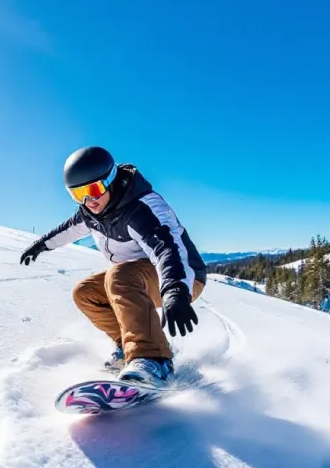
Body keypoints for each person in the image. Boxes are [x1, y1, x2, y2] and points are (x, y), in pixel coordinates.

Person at [19, 146, 206, 388]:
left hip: (182, 277)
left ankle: (153, 359)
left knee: (119, 277)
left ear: (110, 180)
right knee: (85, 293)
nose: (89, 200)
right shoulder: (91, 213)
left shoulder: (142, 207)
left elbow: (168, 250)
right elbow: (67, 229)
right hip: (135, 279)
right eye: (78, 195)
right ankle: (128, 346)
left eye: (94, 189)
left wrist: (175, 291)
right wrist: (40, 246)